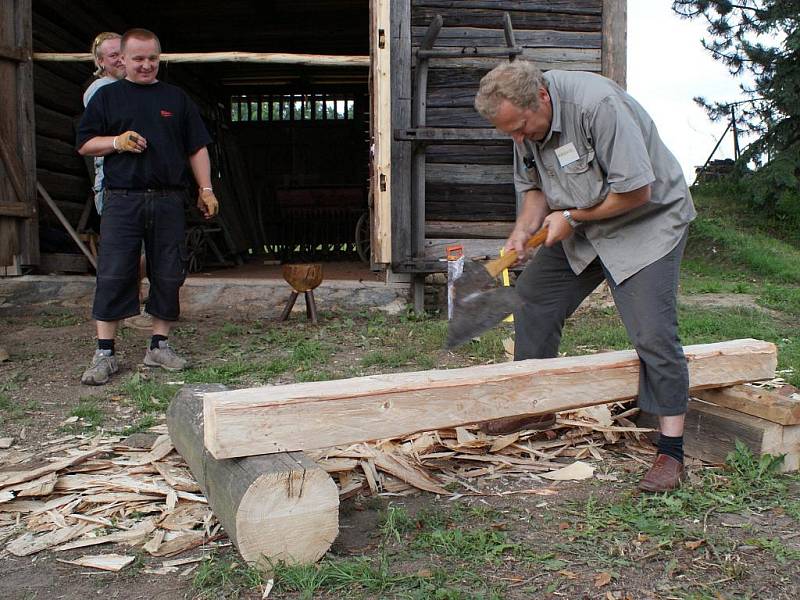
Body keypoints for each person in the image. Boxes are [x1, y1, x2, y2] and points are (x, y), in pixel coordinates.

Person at [473, 61, 696, 492]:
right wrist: (524, 227)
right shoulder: (522, 123)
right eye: (510, 134)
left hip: (645, 224)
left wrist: (571, 217)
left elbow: (636, 190)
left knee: (652, 333)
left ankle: (671, 453)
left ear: (541, 98)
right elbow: (535, 187)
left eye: (521, 128)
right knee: (534, 296)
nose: (518, 139)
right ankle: (536, 405)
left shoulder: (599, 106)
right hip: (585, 224)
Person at [76, 28, 219, 386]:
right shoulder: (107, 98)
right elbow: (85, 143)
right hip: (123, 198)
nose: (146, 66)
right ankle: (104, 353)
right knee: (114, 272)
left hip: (169, 199)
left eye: (152, 59)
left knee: (169, 273)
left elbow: (197, 147)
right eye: (138, 59)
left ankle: (158, 345)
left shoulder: (176, 97)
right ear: (121, 59)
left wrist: (206, 188)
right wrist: (116, 142)